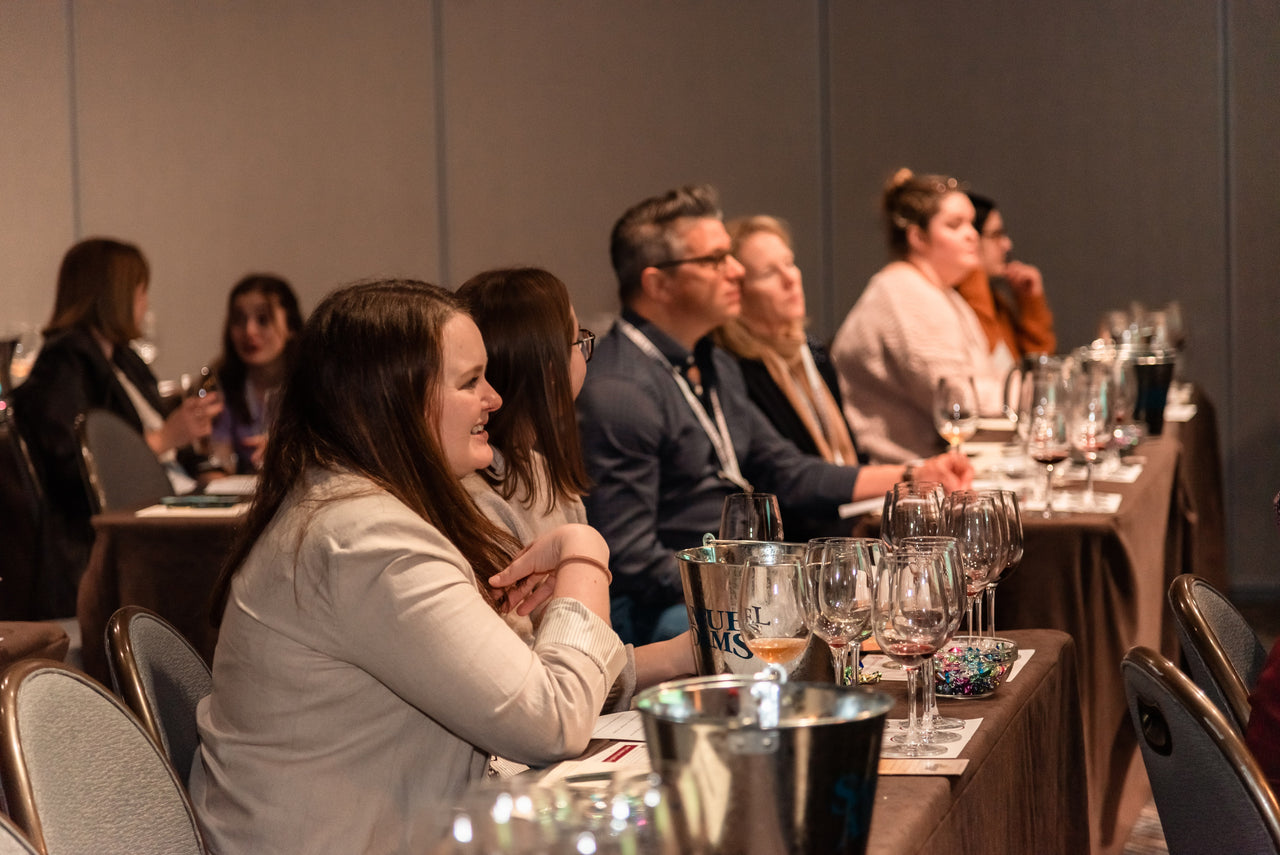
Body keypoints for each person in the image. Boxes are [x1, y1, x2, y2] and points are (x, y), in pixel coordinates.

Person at [190, 280, 624, 854]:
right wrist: (585, 552)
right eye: (470, 382)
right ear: (393, 401)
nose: (494, 398)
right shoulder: (368, 541)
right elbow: (555, 722)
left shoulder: (353, 506)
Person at [578, 184, 972, 645]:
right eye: (715, 260)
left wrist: (912, 474)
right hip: (665, 608)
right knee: (843, 614)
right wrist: (764, 587)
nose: (736, 271)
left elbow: (785, 469)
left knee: (907, 586)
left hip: (735, 581)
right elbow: (630, 559)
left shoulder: (711, 362)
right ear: (658, 284)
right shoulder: (621, 391)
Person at [458, 266, 696, 692]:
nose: (586, 353)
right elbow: (548, 682)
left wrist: (689, 652)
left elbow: (591, 658)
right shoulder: (479, 495)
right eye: (578, 340)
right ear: (546, 366)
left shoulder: (539, 470)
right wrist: (679, 654)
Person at [13, 238, 222, 617]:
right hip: (114, 542)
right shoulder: (63, 364)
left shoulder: (125, 361)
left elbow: (167, 443)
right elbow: (74, 468)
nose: (146, 304)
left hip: (162, 514)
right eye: (141, 292)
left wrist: (207, 465)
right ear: (117, 295)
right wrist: (164, 439)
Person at [831, 169, 1005, 463]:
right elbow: (956, 401)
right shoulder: (903, 293)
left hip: (936, 467)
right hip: (900, 477)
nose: (972, 235)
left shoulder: (941, 292)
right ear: (918, 237)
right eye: (955, 225)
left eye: (971, 224)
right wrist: (1034, 393)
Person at [715, 215, 866, 543]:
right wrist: (906, 475)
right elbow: (785, 481)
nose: (791, 278)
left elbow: (847, 453)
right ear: (738, 291)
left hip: (845, 520)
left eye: (789, 263)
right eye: (769, 273)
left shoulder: (811, 351)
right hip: (796, 542)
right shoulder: (735, 370)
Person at [207, 274, 303, 474]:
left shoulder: (313, 384)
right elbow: (217, 461)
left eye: (262, 320)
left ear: (291, 326)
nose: (249, 331)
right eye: (239, 320)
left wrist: (289, 451)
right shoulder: (222, 384)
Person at [954, 192, 1056, 369]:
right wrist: (972, 268)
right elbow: (989, 362)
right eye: (996, 235)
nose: (1007, 244)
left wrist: (1030, 304)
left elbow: (1039, 367)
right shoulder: (956, 302)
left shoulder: (997, 301)